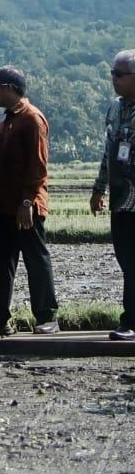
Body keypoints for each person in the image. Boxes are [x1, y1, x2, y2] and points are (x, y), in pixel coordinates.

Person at [0, 66, 59, 335]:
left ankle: (47, 317)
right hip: (3, 205)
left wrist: (27, 202)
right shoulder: (5, 122)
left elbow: (38, 167)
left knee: (35, 260)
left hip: (25, 207)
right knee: (0, 263)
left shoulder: (31, 119)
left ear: (8, 88)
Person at [91, 49, 135, 340]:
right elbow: (109, 152)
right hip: (121, 200)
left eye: (119, 74)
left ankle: (130, 321)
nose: (113, 79)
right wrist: (99, 189)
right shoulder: (115, 108)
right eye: (112, 74)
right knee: (126, 260)